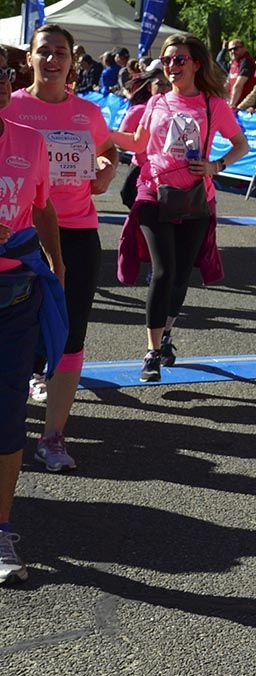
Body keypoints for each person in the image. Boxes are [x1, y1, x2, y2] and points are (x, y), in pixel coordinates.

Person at [5, 24, 118, 473]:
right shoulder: (11, 105)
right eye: (44, 52)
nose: (52, 60)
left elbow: (107, 150)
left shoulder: (87, 112)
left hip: (77, 230)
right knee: (17, 333)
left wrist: (106, 171)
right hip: (19, 233)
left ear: (73, 60)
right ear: (29, 58)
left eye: (61, 53)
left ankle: (52, 436)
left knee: (71, 332)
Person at [110, 34, 249, 382]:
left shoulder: (213, 105)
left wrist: (216, 166)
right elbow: (138, 143)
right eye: (167, 60)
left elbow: (241, 144)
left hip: (195, 199)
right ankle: (152, 351)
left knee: (181, 273)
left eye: (179, 59)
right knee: (163, 271)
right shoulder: (156, 102)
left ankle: (167, 331)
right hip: (154, 193)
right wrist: (99, 131)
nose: (172, 66)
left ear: (196, 64)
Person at [0, 50, 66, 585]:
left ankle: (0, 529)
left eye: (2, 73)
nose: (1, 83)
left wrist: (56, 260)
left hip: (15, 294)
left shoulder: (29, 141)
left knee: (7, 415)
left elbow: (41, 204)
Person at [115, 68, 171, 209]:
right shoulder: (139, 110)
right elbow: (121, 143)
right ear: (149, 87)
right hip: (141, 170)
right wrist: (139, 142)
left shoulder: (179, 111)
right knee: (138, 207)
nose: (165, 89)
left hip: (167, 173)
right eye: (159, 84)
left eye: (168, 85)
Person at [224, 38, 256, 108]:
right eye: (230, 50)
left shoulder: (246, 61)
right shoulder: (234, 62)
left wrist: (231, 105)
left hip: (244, 107)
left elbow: (238, 85)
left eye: (235, 49)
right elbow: (228, 84)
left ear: (243, 48)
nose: (232, 51)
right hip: (235, 104)